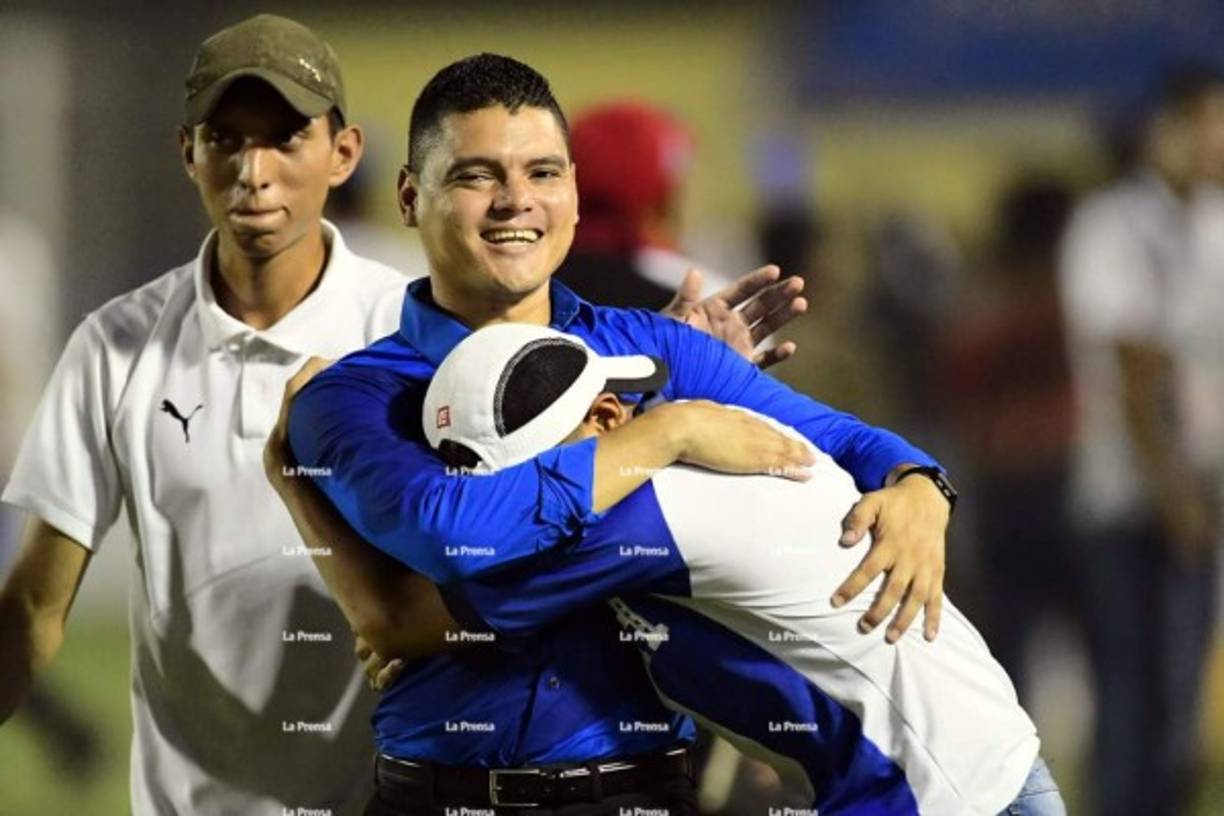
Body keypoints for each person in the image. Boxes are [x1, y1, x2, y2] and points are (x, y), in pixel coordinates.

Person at [0, 16, 809, 815]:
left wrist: (642, 384)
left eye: (286, 137)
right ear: (188, 150)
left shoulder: (422, 332)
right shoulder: (115, 347)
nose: (255, 171)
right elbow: (34, 608)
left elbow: (541, 531)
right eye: (226, 138)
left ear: (343, 152)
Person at [278, 53, 955, 814]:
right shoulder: (351, 396)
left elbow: (842, 441)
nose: (515, 202)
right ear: (410, 196)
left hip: (643, 789)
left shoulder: (660, 351)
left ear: (572, 192)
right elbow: (446, 535)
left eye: (542, 173)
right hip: (436, 793)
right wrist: (662, 435)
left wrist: (919, 486)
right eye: (475, 176)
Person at [400, 321, 1065, 815]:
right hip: (960, 780)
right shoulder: (703, 440)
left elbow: (419, 616)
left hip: (939, 795)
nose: (530, 503)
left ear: (608, 416)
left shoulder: (649, 507)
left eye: (537, 475)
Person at [1059, 63, 1224, 816]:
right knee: (1133, 703)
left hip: (1202, 495)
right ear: (1168, 129)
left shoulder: (1213, 225)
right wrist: (1173, 493)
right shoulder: (1114, 225)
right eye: (1205, 122)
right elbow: (1134, 369)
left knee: (1183, 707)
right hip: (1130, 501)